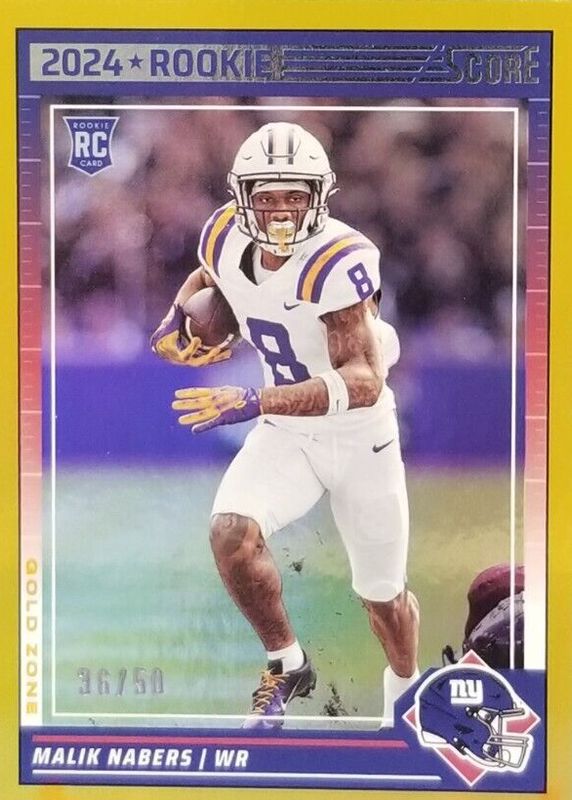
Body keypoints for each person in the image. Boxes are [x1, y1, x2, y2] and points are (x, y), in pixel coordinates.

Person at [151, 122, 420, 729]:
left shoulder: (338, 260)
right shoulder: (222, 231)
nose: (280, 211)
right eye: (267, 196)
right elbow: (210, 276)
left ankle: (405, 697)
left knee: (384, 599)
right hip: (289, 431)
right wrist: (176, 319)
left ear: (319, 197)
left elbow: (363, 381)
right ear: (242, 197)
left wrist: (253, 399)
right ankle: (287, 663)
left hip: (361, 436)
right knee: (230, 533)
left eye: (294, 197)